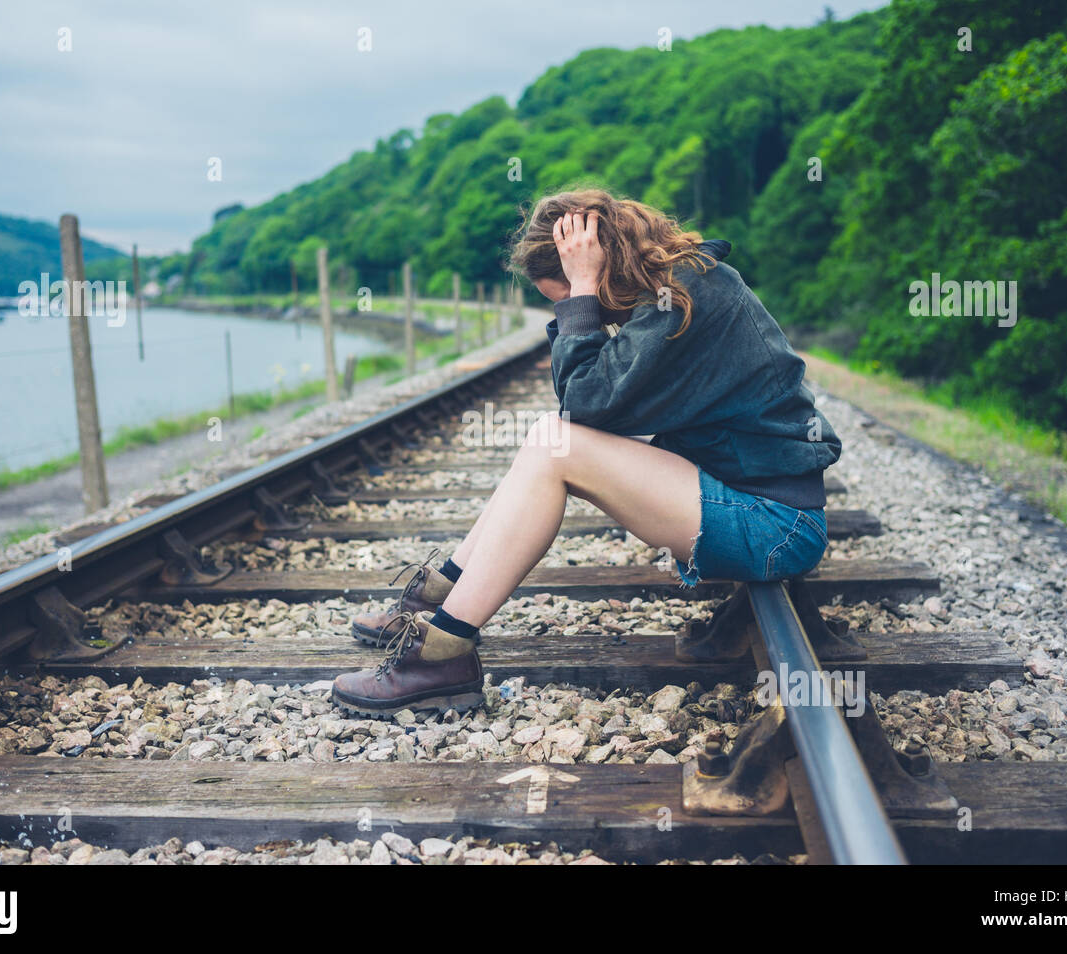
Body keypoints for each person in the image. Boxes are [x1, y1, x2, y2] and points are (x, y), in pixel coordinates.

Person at [331, 188, 842, 718]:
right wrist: (580, 296)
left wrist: (579, 294)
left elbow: (584, 403)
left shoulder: (687, 295)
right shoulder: (678, 286)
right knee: (548, 438)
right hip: (744, 497)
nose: (571, 309)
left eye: (562, 297)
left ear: (593, 266)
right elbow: (587, 402)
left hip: (778, 525)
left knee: (558, 446)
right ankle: (435, 607)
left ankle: (440, 654)